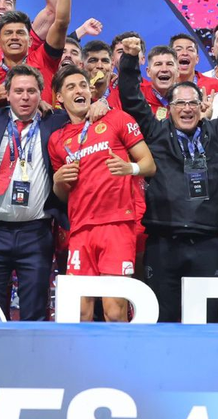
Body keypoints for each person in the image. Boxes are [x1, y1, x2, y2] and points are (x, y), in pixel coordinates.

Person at [118, 35, 218, 322]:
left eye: (192, 104)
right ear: (169, 109)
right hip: (163, 242)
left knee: (205, 321)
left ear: (201, 107)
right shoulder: (156, 132)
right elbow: (132, 99)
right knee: (163, 319)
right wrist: (131, 60)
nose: (186, 109)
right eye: (180, 104)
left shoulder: (216, 133)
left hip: (206, 243)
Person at [49, 65, 156, 322]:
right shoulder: (56, 139)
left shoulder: (117, 119)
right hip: (80, 230)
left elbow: (149, 164)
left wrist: (128, 168)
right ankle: (80, 362)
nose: (79, 90)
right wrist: (57, 182)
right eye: (71, 87)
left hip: (117, 225)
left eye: (83, 85)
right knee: (80, 313)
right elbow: (65, 195)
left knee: (114, 311)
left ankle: (119, 362)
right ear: (59, 98)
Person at [0, 65, 69, 320]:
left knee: (35, 313)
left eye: (31, 91)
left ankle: (32, 359)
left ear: (41, 94)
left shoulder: (56, 121)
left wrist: (100, 104)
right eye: (18, 91)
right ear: (7, 93)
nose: (25, 97)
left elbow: (85, 112)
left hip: (36, 234)